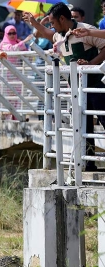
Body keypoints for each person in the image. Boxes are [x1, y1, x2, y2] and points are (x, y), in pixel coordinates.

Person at [23, 2, 105, 171]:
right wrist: (36, 23)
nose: (51, 26)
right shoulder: (60, 35)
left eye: (53, 22)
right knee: (83, 127)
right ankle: (89, 164)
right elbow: (45, 34)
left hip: (94, 86)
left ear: (62, 18)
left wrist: (90, 64)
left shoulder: (85, 29)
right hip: (77, 89)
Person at [0, 25, 32, 120]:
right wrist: (24, 41)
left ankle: (16, 116)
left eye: (14, 33)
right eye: (10, 33)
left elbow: (26, 52)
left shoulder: (18, 42)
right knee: (8, 96)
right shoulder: (4, 44)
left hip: (16, 73)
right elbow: (11, 49)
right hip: (7, 74)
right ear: (6, 34)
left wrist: (23, 43)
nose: (12, 35)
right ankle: (7, 117)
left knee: (18, 95)